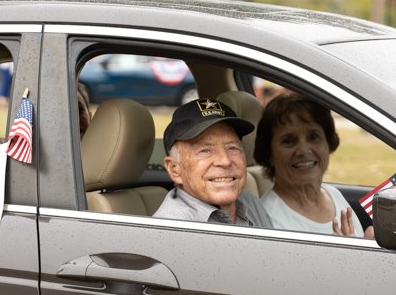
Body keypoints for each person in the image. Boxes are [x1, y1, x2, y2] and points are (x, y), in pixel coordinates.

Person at [253, 92, 365, 236]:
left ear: (328, 143)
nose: (303, 150)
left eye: (313, 137)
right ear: (269, 154)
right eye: (288, 140)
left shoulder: (334, 195)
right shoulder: (265, 221)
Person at [152, 98, 273, 227]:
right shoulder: (173, 229)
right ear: (175, 169)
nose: (225, 161)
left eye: (232, 148)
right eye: (205, 151)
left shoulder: (248, 202)